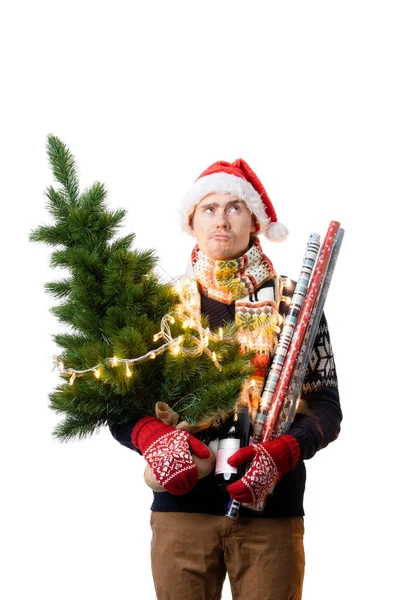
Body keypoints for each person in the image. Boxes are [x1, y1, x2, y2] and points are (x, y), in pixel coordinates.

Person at [109, 159, 342, 600]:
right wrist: (154, 438)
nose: (221, 219)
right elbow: (117, 405)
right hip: (182, 514)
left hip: (272, 515)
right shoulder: (159, 307)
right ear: (190, 222)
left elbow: (327, 408)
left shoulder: (296, 303)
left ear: (254, 221)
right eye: (209, 208)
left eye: (235, 207)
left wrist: (283, 453)